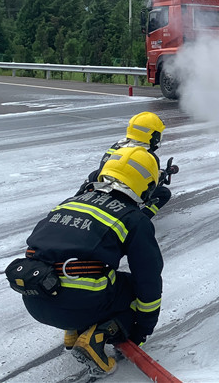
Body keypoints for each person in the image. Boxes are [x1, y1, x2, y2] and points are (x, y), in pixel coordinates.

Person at [12, 147, 164, 374]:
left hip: (35, 299)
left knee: (93, 275)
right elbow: (149, 279)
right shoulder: (133, 219)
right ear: (146, 185)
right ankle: (97, 336)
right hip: (78, 304)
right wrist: (140, 330)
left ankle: (74, 332)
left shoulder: (70, 202)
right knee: (132, 287)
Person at [79, 112, 171, 218]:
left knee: (94, 174)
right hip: (125, 196)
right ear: (153, 135)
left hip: (102, 188)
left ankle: (79, 198)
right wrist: (161, 176)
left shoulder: (116, 146)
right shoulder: (148, 155)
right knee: (164, 193)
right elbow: (148, 185)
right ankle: (140, 218)